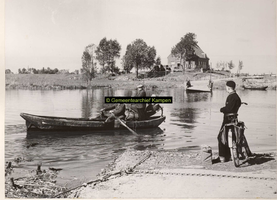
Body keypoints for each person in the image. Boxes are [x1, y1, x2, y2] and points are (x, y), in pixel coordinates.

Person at [217, 80, 241, 162]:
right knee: (229, 137)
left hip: (228, 120)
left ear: (228, 87)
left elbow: (229, 109)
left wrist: (222, 109)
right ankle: (229, 156)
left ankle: (223, 157)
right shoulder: (236, 96)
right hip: (234, 120)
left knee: (221, 137)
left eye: (226, 87)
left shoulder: (231, 96)